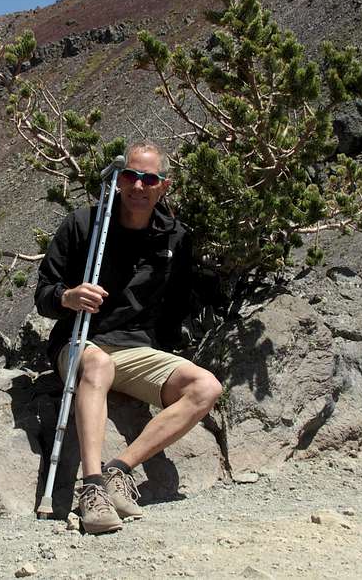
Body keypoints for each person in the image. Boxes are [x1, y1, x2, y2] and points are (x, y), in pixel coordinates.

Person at [35, 140, 223, 534]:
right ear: (119, 180)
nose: (139, 186)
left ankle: (118, 471)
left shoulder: (175, 238)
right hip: (81, 342)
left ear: (164, 186)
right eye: (131, 176)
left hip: (137, 349)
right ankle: (91, 489)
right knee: (99, 363)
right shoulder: (86, 224)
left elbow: (178, 302)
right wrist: (68, 297)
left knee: (205, 388)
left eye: (149, 178)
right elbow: (44, 294)